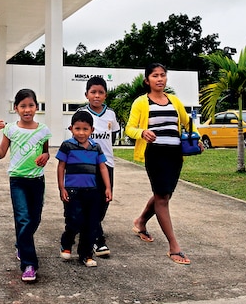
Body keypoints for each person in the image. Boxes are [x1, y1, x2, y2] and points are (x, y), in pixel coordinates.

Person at [124, 63, 203, 265]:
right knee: (162, 197)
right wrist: (142, 133)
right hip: (155, 153)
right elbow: (129, 128)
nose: (159, 79)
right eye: (155, 76)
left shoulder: (174, 101)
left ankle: (140, 221)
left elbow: (187, 122)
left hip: (175, 154)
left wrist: (197, 139)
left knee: (164, 195)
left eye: (162, 75)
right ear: (147, 80)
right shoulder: (141, 102)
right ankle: (174, 246)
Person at [0, 89, 52, 283]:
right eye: (23, 106)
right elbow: (1, 153)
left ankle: (21, 243)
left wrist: (46, 156)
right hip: (17, 180)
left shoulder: (43, 130)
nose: (27, 110)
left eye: (31, 105)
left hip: (37, 181)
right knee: (23, 219)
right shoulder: (11, 130)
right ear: (16, 108)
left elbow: (46, 153)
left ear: (36, 107)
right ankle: (29, 265)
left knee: (35, 219)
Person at [56, 110, 113, 267]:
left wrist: (107, 188)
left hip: (92, 192)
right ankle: (66, 244)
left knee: (91, 224)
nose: (81, 133)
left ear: (92, 130)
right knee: (74, 220)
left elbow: (102, 167)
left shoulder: (96, 148)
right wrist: (62, 188)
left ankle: (86, 254)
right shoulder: (67, 146)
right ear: (71, 129)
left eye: (85, 129)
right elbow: (61, 167)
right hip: (73, 191)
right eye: (77, 129)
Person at [76, 76, 120, 258]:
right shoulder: (81, 113)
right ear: (86, 94)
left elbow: (113, 135)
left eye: (100, 92)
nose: (96, 95)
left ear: (105, 95)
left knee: (104, 201)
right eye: (93, 92)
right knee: (90, 202)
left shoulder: (110, 114)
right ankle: (97, 239)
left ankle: (91, 225)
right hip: (87, 165)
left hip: (107, 164)